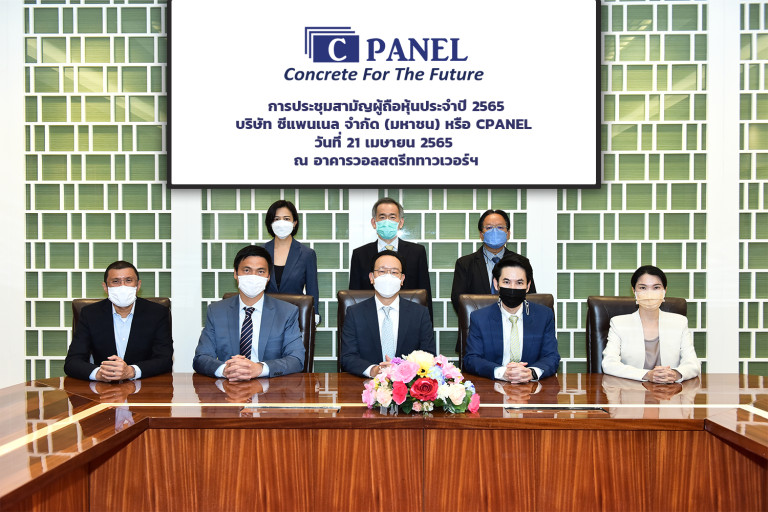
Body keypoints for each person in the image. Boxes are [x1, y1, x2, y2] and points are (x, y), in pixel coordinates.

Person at [193, 245, 305, 380]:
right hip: (229, 385)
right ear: (235, 273)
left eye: (260, 271)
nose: (253, 276)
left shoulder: (287, 312)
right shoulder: (216, 311)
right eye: (247, 270)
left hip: (270, 387)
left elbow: (296, 359)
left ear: (268, 277)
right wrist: (225, 370)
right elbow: (201, 358)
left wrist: (260, 368)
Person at [64, 260, 173, 381]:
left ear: (138, 285)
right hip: (104, 387)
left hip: (145, 386)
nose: (123, 286)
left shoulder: (157, 313)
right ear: (105, 287)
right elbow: (72, 362)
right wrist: (99, 373)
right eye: (115, 281)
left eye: (128, 280)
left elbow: (165, 359)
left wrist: (131, 371)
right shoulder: (90, 314)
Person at [463, 254, 560, 382]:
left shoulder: (544, 316)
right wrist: (503, 372)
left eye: (519, 283)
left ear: (528, 286)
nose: (512, 288)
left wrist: (531, 372)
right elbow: (471, 359)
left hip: (532, 387)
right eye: (506, 282)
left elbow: (551, 356)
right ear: (496, 284)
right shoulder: (480, 318)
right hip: (494, 386)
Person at [451, 209, 536, 352]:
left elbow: (531, 297)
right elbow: (458, 301)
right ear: (481, 234)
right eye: (489, 227)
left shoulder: (522, 262)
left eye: (500, 227)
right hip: (477, 335)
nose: (495, 231)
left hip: (515, 332)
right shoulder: (465, 263)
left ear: (508, 233)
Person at [340, 250, 435, 378]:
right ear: (371, 277)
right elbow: (348, 357)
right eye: (382, 271)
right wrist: (373, 370)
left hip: (407, 384)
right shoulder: (355, 313)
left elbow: (428, 355)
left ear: (402, 279)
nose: (388, 277)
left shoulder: (420, 313)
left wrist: (401, 369)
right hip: (365, 384)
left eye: (394, 272)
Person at [602, 265, 700, 383]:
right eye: (643, 288)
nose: (649, 294)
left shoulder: (680, 322)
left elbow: (693, 364)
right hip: (632, 389)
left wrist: (675, 374)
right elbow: (609, 364)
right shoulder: (619, 323)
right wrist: (647, 375)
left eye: (656, 287)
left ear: (664, 290)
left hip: (669, 390)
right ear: (634, 291)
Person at [348, 197, 432, 320]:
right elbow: (354, 296)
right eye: (382, 217)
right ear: (374, 222)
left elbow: (425, 294)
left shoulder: (417, 252)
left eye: (392, 217)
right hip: (370, 318)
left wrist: (427, 324)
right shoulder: (360, 254)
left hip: (409, 319)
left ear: (401, 222)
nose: (387, 221)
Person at [263, 199, 320, 324]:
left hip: (295, 317)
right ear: (270, 223)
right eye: (277, 219)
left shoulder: (307, 254)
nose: (281, 223)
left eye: (286, 219)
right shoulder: (261, 252)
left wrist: (314, 314)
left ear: (294, 223)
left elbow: (312, 290)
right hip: (265, 316)